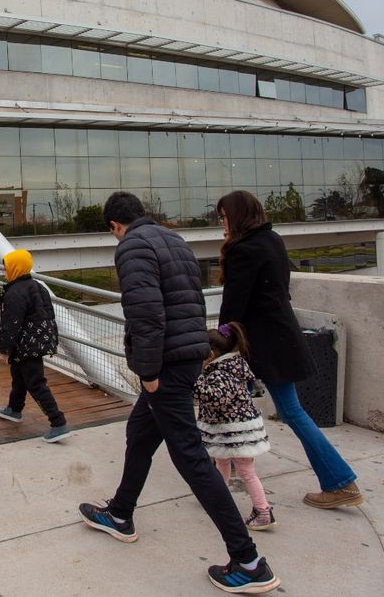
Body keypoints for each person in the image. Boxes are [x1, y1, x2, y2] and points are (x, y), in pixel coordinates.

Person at [79, 191, 279, 595]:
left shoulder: (132, 246)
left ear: (115, 226)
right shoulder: (173, 240)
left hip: (165, 365)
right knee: (139, 435)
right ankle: (120, 513)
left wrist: (149, 373)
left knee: (190, 457)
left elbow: (146, 313)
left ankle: (248, 560)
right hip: (186, 356)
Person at [215, 189, 363, 511]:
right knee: (275, 410)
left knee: (280, 411)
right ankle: (224, 472)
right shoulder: (271, 240)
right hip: (281, 337)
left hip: (264, 345)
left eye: (224, 216)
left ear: (237, 216)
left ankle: (339, 481)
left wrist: (218, 342)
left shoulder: (245, 250)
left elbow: (234, 307)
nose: (222, 223)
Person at [195, 321, 275, 531]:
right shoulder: (234, 366)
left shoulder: (220, 373)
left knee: (246, 470)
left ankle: (263, 510)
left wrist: (194, 384)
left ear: (210, 354)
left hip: (235, 431)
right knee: (221, 462)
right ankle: (218, 498)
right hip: (234, 430)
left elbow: (215, 398)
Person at [0, 249, 70, 442]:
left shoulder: (15, 292)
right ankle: (14, 409)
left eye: (6, 268)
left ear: (15, 268)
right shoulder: (37, 286)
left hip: (26, 345)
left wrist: (4, 349)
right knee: (19, 376)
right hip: (37, 341)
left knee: (35, 383)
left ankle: (58, 422)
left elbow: (11, 324)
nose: (4, 272)